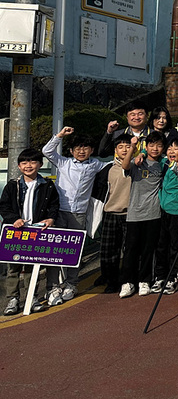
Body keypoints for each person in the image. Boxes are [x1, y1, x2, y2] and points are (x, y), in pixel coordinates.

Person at [42, 126, 103, 305]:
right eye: (77, 148)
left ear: (91, 150)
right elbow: (47, 151)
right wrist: (60, 135)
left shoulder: (96, 164)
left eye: (85, 148)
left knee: (74, 250)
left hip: (79, 213)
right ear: (71, 151)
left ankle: (71, 283)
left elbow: (115, 164)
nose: (81, 151)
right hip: (59, 212)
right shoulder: (64, 162)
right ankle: (52, 286)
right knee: (54, 250)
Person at [2, 149, 61, 315]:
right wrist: (14, 219)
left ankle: (31, 297)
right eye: (24, 163)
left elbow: (54, 205)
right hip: (15, 232)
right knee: (13, 267)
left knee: (31, 267)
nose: (29, 166)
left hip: (35, 232)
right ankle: (12, 299)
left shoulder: (47, 185)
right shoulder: (12, 186)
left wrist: (50, 219)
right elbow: (4, 206)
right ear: (19, 166)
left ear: (40, 165)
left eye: (33, 162)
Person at [119, 131, 167, 299]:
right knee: (131, 249)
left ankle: (144, 281)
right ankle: (127, 282)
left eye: (159, 145)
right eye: (151, 145)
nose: (155, 148)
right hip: (134, 213)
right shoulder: (137, 162)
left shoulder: (164, 164)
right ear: (146, 147)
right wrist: (133, 148)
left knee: (148, 250)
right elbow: (124, 167)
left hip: (154, 213)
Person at [91, 132, 137, 294]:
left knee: (129, 250)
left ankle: (127, 280)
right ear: (115, 150)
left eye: (127, 146)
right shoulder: (107, 169)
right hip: (110, 214)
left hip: (130, 215)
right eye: (120, 147)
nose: (124, 150)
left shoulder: (136, 165)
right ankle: (111, 280)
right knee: (109, 250)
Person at [155, 134, 178, 294]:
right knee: (161, 245)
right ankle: (160, 277)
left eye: (176, 147)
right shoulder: (163, 163)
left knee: (175, 247)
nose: (172, 151)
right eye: (170, 147)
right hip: (162, 210)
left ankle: (173, 278)